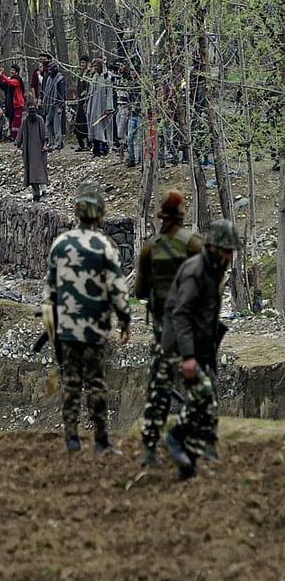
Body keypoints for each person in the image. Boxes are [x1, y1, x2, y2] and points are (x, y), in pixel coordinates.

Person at [43, 180, 131, 453]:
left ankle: (71, 437)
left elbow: (50, 292)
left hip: (66, 328)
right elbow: (118, 289)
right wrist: (125, 320)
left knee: (70, 381)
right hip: (95, 327)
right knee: (96, 382)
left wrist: (52, 327)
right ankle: (101, 438)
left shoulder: (61, 244)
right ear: (100, 213)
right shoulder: (104, 246)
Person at [162, 220, 239, 480]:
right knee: (202, 394)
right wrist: (188, 357)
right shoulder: (195, 271)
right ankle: (174, 437)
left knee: (208, 400)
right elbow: (181, 314)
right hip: (182, 345)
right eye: (227, 250)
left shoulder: (214, 270)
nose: (230, 256)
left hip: (201, 345)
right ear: (215, 248)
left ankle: (190, 462)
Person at [135, 190, 204, 467]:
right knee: (199, 388)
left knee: (159, 386)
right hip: (190, 326)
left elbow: (140, 291)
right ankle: (190, 442)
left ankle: (150, 447)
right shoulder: (194, 245)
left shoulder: (151, 247)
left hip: (162, 328)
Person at [15, 95, 49, 201]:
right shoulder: (25, 121)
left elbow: (45, 135)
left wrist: (44, 145)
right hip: (29, 152)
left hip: (39, 151)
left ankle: (44, 192)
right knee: (31, 175)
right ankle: (35, 195)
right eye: (30, 109)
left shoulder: (39, 120)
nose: (32, 111)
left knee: (40, 173)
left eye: (33, 109)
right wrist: (17, 146)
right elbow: (20, 135)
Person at [86, 58, 114, 157]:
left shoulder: (106, 78)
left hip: (103, 107)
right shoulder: (94, 78)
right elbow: (90, 92)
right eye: (94, 66)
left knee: (103, 128)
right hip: (94, 106)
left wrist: (108, 107)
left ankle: (105, 148)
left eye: (97, 66)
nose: (95, 68)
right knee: (94, 127)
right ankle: (96, 150)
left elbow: (109, 93)